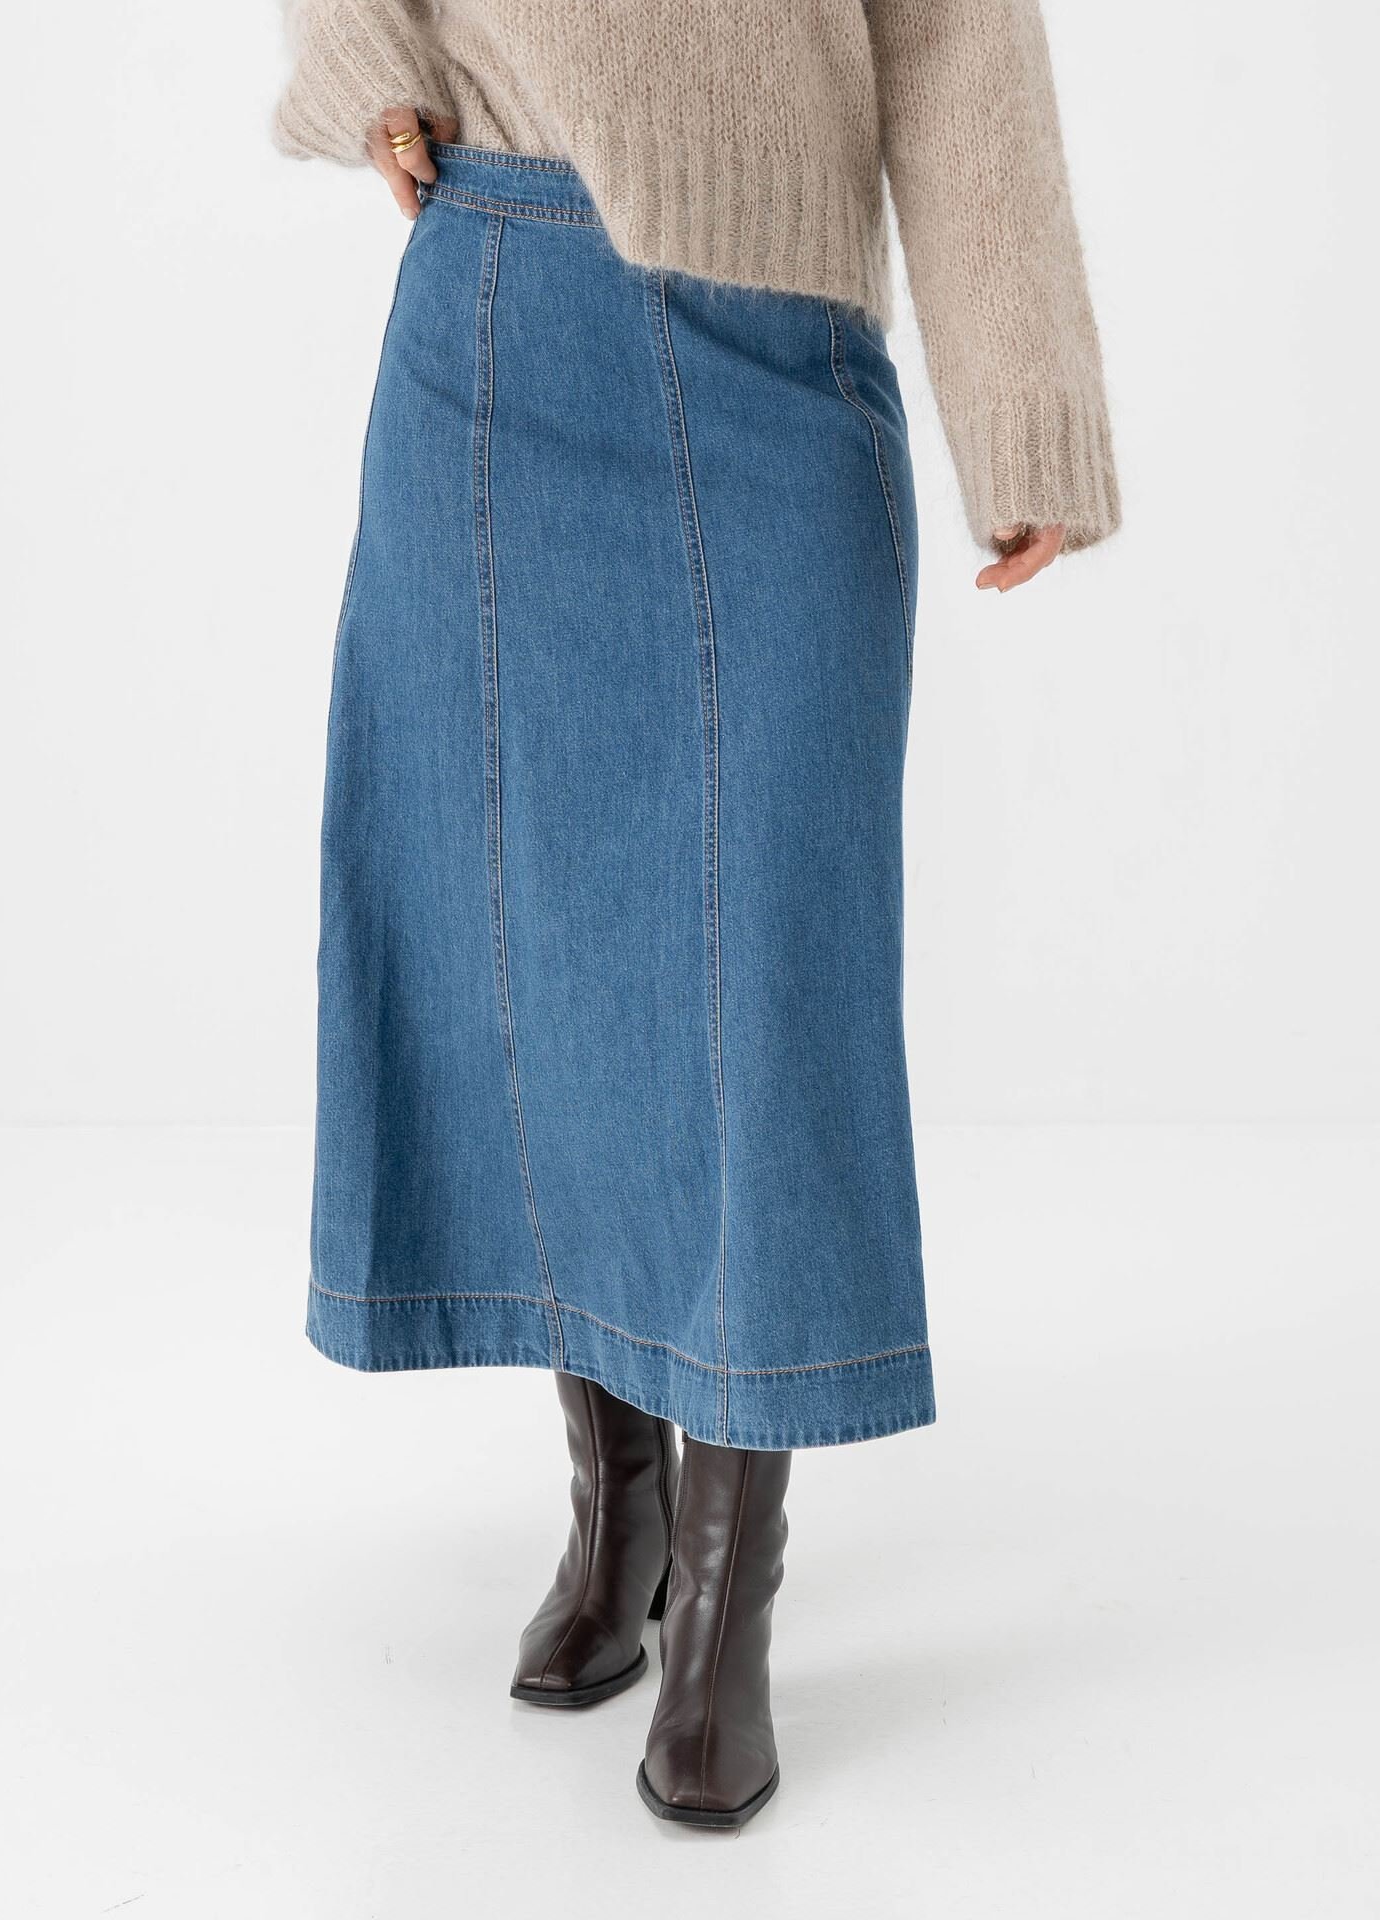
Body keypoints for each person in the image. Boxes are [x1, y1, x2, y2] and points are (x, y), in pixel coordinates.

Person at [273, 0, 1118, 1830]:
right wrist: (370, 63)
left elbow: (959, 38)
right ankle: (622, 1511)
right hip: (493, 312)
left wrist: (1023, 396)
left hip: (777, 353)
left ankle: (731, 1598)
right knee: (542, 977)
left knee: (763, 990)